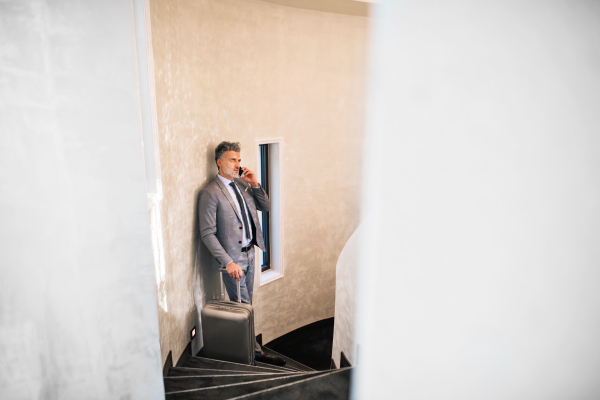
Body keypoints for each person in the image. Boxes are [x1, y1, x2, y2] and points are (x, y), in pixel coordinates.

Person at [198, 141, 286, 366]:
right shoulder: (210, 193)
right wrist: (227, 262)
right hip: (233, 262)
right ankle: (252, 356)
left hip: (250, 254)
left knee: (247, 305)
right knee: (243, 306)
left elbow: (265, 206)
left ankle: (249, 353)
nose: (237, 164)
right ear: (219, 162)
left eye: (239, 159)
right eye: (232, 160)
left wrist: (255, 183)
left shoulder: (243, 184)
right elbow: (207, 233)